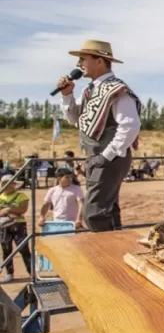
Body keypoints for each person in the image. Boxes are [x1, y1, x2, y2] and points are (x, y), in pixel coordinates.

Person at [57, 40, 142, 232]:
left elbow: (130, 125)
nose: (79, 64)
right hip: (98, 157)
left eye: (83, 59)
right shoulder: (90, 90)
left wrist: (106, 156)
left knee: (94, 212)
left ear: (100, 61)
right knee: (108, 209)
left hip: (109, 157)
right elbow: (74, 118)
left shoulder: (116, 89)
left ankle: (106, 254)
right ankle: (116, 253)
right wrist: (67, 95)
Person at [0, 175, 31, 283]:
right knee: (6, 249)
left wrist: (8, 210)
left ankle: (31, 272)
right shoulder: (0, 196)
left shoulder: (21, 195)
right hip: (4, 225)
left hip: (19, 224)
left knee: (23, 248)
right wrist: (9, 211)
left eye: (10, 184)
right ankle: (9, 273)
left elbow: (23, 209)